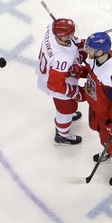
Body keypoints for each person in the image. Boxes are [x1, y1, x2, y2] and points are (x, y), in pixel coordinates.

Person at [81, 32, 112, 186]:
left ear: (100, 52)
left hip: (110, 116)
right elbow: (94, 73)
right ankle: (109, 151)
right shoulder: (101, 57)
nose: (86, 51)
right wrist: (80, 72)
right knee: (99, 133)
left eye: (90, 49)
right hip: (98, 106)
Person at [36, 17, 85, 145]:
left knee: (67, 108)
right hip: (57, 84)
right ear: (61, 37)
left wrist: (77, 42)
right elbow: (54, 85)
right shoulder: (62, 58)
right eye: (69, 35)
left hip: (49, 74)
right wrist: (73, 91)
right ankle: (62, 135)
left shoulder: (52, 29)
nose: (72, 36)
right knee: (66, 110)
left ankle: (65, 118)